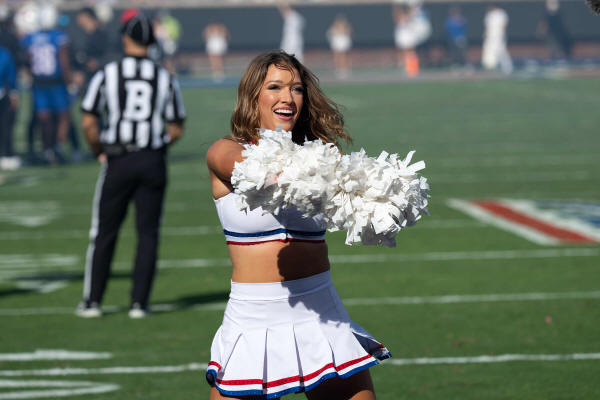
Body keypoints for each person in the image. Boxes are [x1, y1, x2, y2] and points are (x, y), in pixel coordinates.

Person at [205, 50, 390, 400]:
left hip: (321, 314)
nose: (288, 97)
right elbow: (251, 169)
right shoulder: (224, 150)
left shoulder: (322, 155)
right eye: (275, 87)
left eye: (297, 89)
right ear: (253, 95)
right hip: (253, 319)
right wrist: (309, 168)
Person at [76, 13, 186, 319]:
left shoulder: (108, 73)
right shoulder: (164, 77)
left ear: (125, 38)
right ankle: (140, 303)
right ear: (151, 41)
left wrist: (98, 150)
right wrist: (157, 145)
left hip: (118, 158)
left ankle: (93, 301)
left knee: (104, 231)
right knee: (148, 232)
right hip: (152, 159)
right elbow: (176, 127)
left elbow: (88, 121)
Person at [21, 4, 72, 164]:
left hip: (39, 83)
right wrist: (69, 81)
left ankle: (48, 150)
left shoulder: (31, 37)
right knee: (63, 116)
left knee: (45, 118)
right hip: (56, 82)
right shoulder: (58, 36)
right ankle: (57, 147)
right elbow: (63, 61)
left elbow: (28, 59)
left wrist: (28, 75)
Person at [393, 2, 431, 77]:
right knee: (406, 53)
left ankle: (412, 69)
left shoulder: (411, 15)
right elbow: (398, 19)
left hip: (408, 37)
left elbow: (409, 17)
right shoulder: (401, 17)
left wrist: (413, 10)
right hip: (403, 37)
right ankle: (408, 68)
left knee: (411, 53)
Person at [482, 4, 512, 74]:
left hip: (499, 36)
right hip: (490, 37)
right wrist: (485, 34)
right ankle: (490, 67)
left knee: (501, 51)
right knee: (488, 51)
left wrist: (502, 35)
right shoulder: (489, 15)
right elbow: (487, 27)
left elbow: (504, 25)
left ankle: (507, 68)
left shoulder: (501, 13)